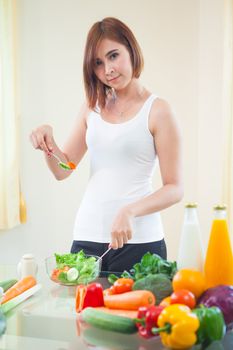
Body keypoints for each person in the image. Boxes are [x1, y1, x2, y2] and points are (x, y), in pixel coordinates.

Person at [30, 17, 183, 274]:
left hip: (139, 242)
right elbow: (64, 168)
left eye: (113, 56)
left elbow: (175, 188)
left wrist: (130, 211)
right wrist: (49, 142)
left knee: (133, 316)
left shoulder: (158, 110)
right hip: (86, 238)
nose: (108, 70)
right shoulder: (92, 107)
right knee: (84, 315)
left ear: (131, 50)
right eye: (98, 64)